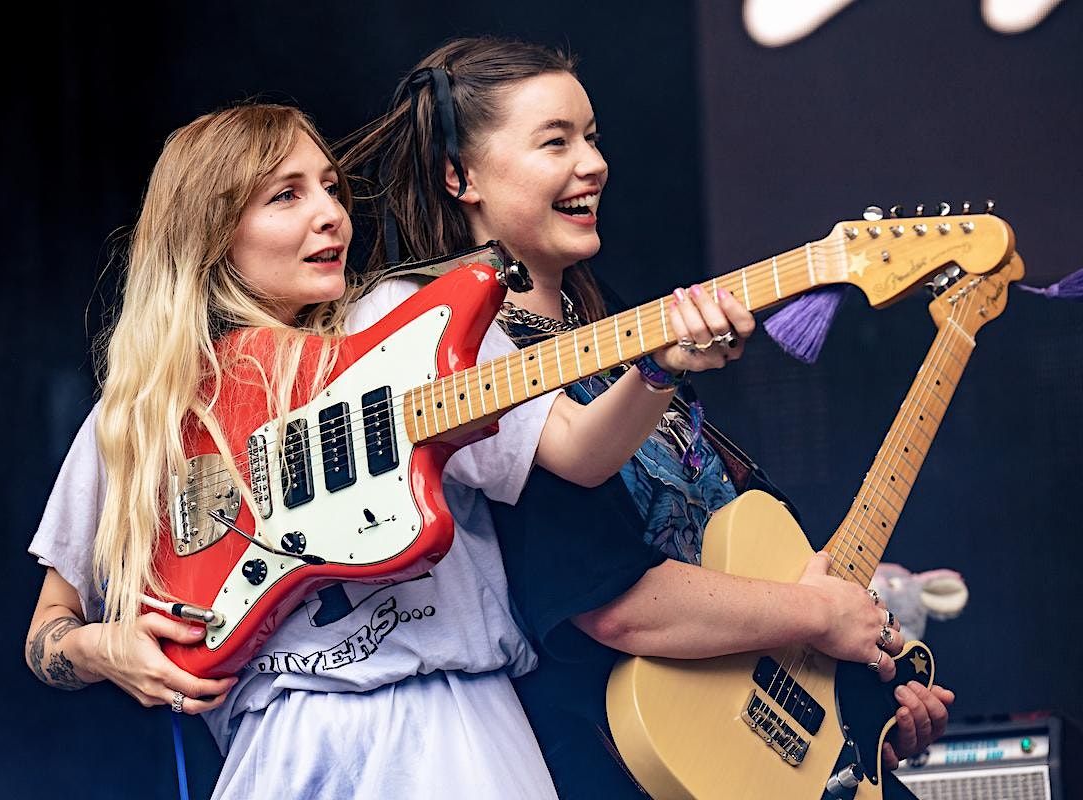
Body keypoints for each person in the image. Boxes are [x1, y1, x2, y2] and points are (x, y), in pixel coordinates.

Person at [24, 101, 744, 798]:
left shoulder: (401, 325)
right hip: (276, 746)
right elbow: (48, 628)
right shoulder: (145, 414)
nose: (330, 213)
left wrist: (658, 366)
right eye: (286, 196)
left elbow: (580, 452)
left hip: (452, 724)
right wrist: (97, 650)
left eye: (331, 187)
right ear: (212, 234)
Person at [341, 36, 954, 798]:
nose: (592, 163)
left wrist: (859, 704)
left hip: (741, 749)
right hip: (624, 763)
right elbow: (615, 605)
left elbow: (731, 567)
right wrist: (817, 614)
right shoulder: (457, 363)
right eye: (555, 141)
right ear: (459, 176)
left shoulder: (610, 341)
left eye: (592, 137)